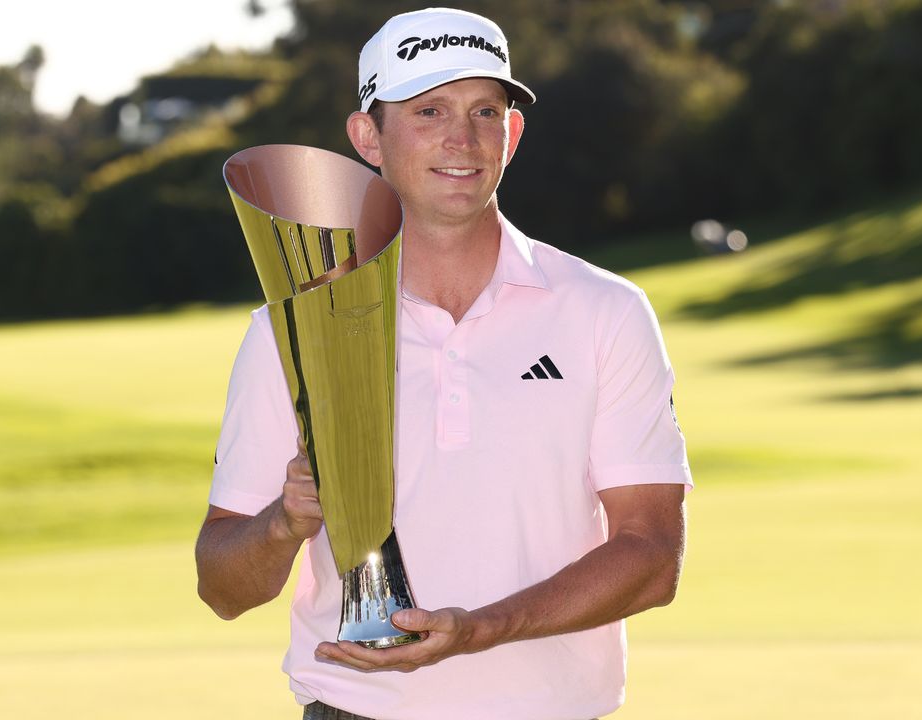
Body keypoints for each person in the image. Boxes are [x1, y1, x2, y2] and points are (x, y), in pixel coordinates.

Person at [195, 8, 691, 720]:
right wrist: (282, 522)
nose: (463, 138)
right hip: (355, 709)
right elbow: (222, 588)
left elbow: (652, 556)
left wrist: (480, 630)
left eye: (485, 111)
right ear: (368, 137)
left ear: (511, 135)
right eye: (429, 111)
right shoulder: (292, 330)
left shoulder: (605, 311)